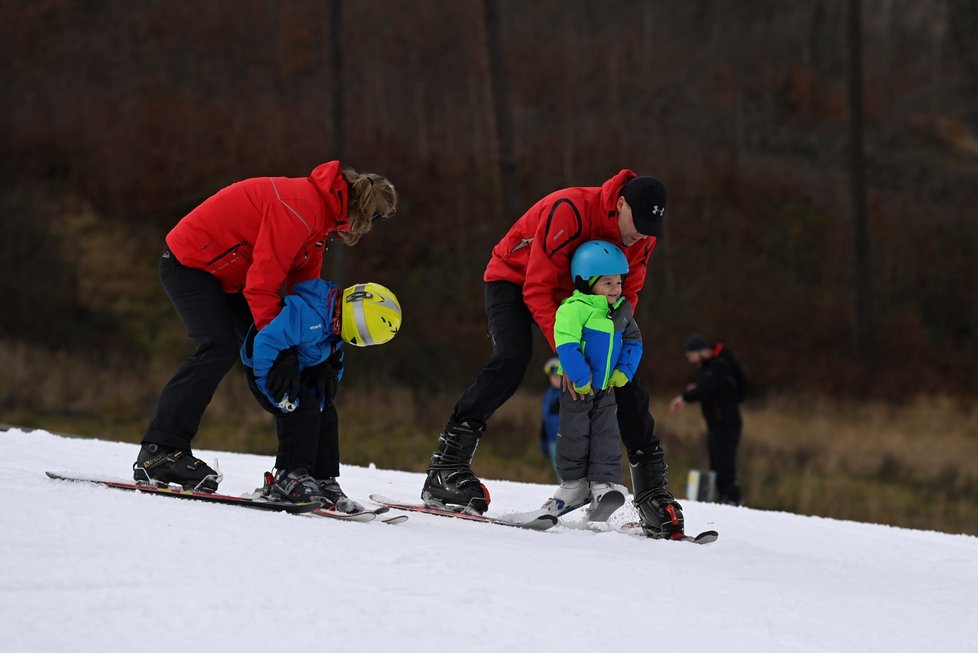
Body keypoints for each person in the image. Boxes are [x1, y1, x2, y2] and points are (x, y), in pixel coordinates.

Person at [422, 170, 687, 539]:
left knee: (622, 377)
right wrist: (571, 355)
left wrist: (610, 350)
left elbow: (630, 294)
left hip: (586, 296)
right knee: (512, 359)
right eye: (637, 224)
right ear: (620, 203)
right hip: (516, 280)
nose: (641, 234)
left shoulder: (642, 236)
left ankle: (652, 491)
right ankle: (446, 467)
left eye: (650, 228)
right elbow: (538, 289)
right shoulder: (571, 210)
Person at [133, 161, 397, 492]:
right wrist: (283, 349)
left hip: (231, 278)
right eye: (372, 221)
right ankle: (160, 452)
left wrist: (313, 355)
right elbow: (261, 286)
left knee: (277, 356)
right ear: (362, 212)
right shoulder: (301, 209)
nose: (366, 230)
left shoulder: (322, 219)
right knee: (220, 347)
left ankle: (302, 471)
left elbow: (304, 294)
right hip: (191, 264)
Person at [241, 280, 401, 508]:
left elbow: (334, 357)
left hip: (296, 373)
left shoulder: (335, 325)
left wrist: (330, 375)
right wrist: (269, 383)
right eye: (363, 335)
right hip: (269, 370)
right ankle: (288, 476)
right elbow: (266, 340)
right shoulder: (308, 314)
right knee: (301, 410)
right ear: (356, 317)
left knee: (325, 411)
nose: (360, 342)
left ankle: (321, 477)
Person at [540, 241, 642, 518]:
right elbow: (567, 345)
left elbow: (634, 342)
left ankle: (602, 485)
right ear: (586, 282)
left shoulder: (622, 311)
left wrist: (624, 371)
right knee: (574, 432)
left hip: (606, 388)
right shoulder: (574, 308)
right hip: (577, 388)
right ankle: (573, 483)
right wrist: (580, 377)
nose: (615, 289)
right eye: (607, 283)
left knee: (606, 433)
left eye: (618, 282)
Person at [669, 334, 748, 505]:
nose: (691, 361)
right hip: (718, 423)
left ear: (700, 351)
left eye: (692, 356)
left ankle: (732, 498)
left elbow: (709, 388)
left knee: (724, 461)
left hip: (726, 423)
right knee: (717, 461)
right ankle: (725, 497)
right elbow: (709, 387)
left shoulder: (720, 365)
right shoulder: (713, 366)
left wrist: (685, 396)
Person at [539, 357, 562, 480]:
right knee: (558, 471)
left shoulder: (568, 393)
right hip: (552, 440)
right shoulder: (548, 394)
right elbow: (545, 419)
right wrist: (543, 441)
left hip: (567, 440)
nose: (555, 380)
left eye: (558, 377)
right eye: (552, 377)